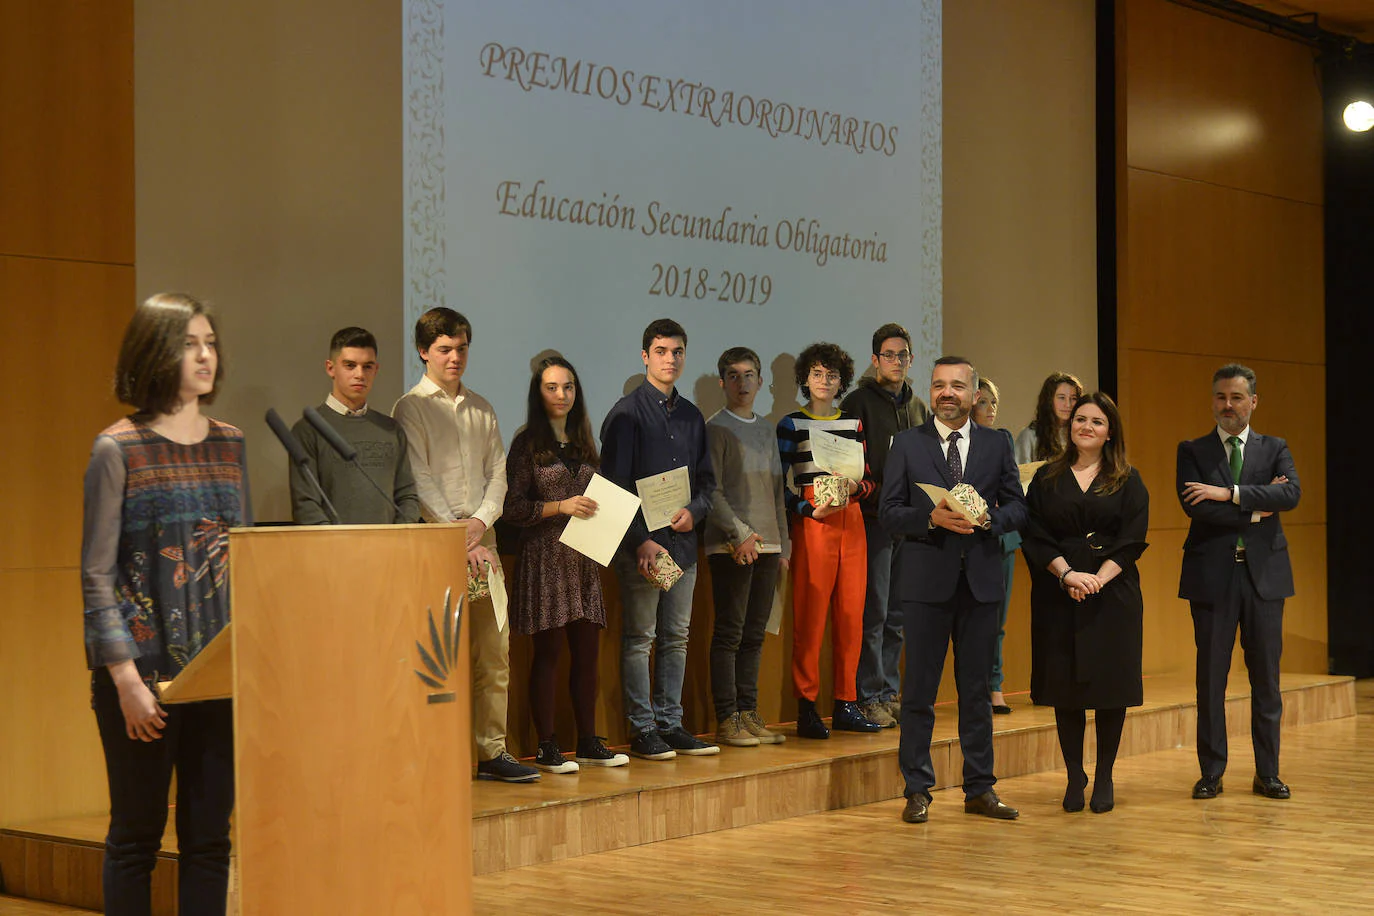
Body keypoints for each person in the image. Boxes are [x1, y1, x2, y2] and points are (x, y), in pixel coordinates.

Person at [82, 293, 249, 915]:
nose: (206, 355)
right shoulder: (117, 448)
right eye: (189, 344)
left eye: (210, 342)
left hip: (217, 677)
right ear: (155, 352)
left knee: (210, 841)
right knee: (136, 839)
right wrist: (124, 679)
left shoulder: (230, 444)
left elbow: (245, 560)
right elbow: (96, 576)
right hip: (143, 681)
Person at [392, 307, 538, 782]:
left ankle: (491, 751)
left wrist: (478, 523)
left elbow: (498, 473)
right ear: (423, 351)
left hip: (485, 545)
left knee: (494, 652)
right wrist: (459, 533)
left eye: (461, 348)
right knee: (439, 656)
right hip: (437, 547)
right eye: (444, 349)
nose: (454, 358)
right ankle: (439, 754)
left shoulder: (482, 407)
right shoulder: (409, 408)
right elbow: (418, 479)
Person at [880, 356, 1027, 823]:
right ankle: (917, 789)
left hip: (981, 582)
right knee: (919, 693)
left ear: (974, 394)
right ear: (931, 390)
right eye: (940, 385)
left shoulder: (997, 443)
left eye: (958, 387)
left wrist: (990, 520)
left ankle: (980, 789)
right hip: (925, 584)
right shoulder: (906, 443)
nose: (948, 393)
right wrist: (929, 518)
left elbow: (1018, 507)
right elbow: (888, 512)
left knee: (977, 692)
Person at [1177, 364, 1300, 801]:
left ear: (1253, 401)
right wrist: (1255, 505)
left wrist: (1227, 493)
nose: (1227, 406)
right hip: (1212, 579)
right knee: (1210, 679)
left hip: (1265, 579)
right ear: (1212, 401)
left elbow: (1291, 495)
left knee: (1266, 680)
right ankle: (1212, 771)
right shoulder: (1192, 449)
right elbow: (1196, 507)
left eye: (1236, 397)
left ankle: (1268, 773)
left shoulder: (1275, 448)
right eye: (1220, 398)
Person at [1023, 393, 1149, 814]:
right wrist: (1067, 575)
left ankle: (1105, 775)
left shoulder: (1128, 479)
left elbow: (1132, 539)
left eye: (1096, 421)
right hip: (1059, 592)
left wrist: (1096, 579)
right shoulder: (1045, 478)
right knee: (1067, 689)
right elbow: (1035, 534)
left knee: (1110, 689)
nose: (1086, 427)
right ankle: (1074, 775)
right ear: (1069, 425)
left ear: (1110, 431)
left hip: (1112, 594)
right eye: (1080, 419)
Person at [600, 318, 719, 760]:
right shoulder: (626, 414)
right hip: (644, 550)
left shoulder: (691, 416)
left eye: (678, 351)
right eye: (662, 351)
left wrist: (696, 512)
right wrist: (639, 542)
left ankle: (671, 724)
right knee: (640, 639)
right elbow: (612, 489)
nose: (670, 359)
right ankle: (642, 728)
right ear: (645, 356)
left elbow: (707, 483)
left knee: (676, 637)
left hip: (683, 547)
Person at [503, 356, 628, 773]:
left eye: (569, 387)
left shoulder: (583, 440)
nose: (562, 395)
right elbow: (513, 508)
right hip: (545, 558)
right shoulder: (526, 444)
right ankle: (546, 746)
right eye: (552, 387)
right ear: (538, 393)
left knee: (588, 655)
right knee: (549, 654)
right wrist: (561, 506)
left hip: (584, 559)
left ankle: (589, 741)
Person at [777, 342, 882, 739]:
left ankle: (845, 703)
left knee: (852, 617)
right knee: (810, 616)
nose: (825, 381)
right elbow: (779, 485)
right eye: (818, 374)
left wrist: (857, 487)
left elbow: (870, 480)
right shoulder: (790, 424)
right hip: (813, 522)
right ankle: (807, 707)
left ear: (842, 381)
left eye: (832, 375)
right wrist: (804, 510)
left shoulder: (853, 423)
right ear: (806, 379)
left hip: (850, 520)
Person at [840, 323, 930, 728]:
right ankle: (869, 693)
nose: (897, 362)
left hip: (910, 523)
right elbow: (848, 462)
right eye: (889, 355)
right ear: (875, 359)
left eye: (904, 356)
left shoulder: (918, 407)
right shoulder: (858, 402)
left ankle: (890, 690)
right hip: (874, 520)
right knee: (874, 612)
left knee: (899, 614)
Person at [705, 347, 791, 747]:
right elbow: (712, 491)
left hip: (769, 545)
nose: (743, 383)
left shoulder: (766, 428)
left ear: (759, 381)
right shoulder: (715, 428)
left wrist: (784, 545)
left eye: (749, 375)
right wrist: (738, 533)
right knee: (730, 633)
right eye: (734, 376)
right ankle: (727, 718)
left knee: (755, 634)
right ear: (723, 383)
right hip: (731, 546)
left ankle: (748, 712)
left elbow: (777, 493)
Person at [289, 326, 420, 524]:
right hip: (333, 551)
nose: (360, 374)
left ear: (376, 370)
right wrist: (340, 546)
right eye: (350, 365)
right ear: (330, 368)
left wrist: (399, 541)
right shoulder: (307, 429)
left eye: (367, 366)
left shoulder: (391, 429)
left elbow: (406, 496)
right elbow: (306, 505)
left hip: (390, 551)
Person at [972, 376, 1020, 715]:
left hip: (1000, 537)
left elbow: (1013, 491)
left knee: (997, 619)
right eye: (985, 401)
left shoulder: (1002, 440)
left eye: (995, 404)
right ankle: (973, 688)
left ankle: (995, 685)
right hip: (964, 534)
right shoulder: (951, 443)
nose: (991, 410)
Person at [1014, 371, 1083, 464]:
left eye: (1073, 398)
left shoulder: (1082, 433)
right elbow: (1020, 475)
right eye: (1061, 397)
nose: (1068, 404)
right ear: (1049, 400)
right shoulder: (1030, 435)